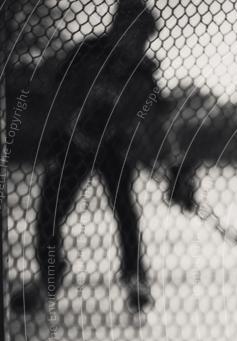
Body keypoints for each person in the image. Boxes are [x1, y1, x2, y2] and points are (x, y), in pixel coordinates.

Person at [10, 0, 187, 314]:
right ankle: (49, 276)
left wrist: (175, 168)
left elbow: (157, 126)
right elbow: (55, 96)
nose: (141, 43)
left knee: (126, 211)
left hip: (113, 147)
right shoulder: (87, 55)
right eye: (137, 34)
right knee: (49, 213)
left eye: (145, 38)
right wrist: (66, 123)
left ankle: (134, 277)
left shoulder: (142, 74)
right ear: (120, 28)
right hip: (72, 143)